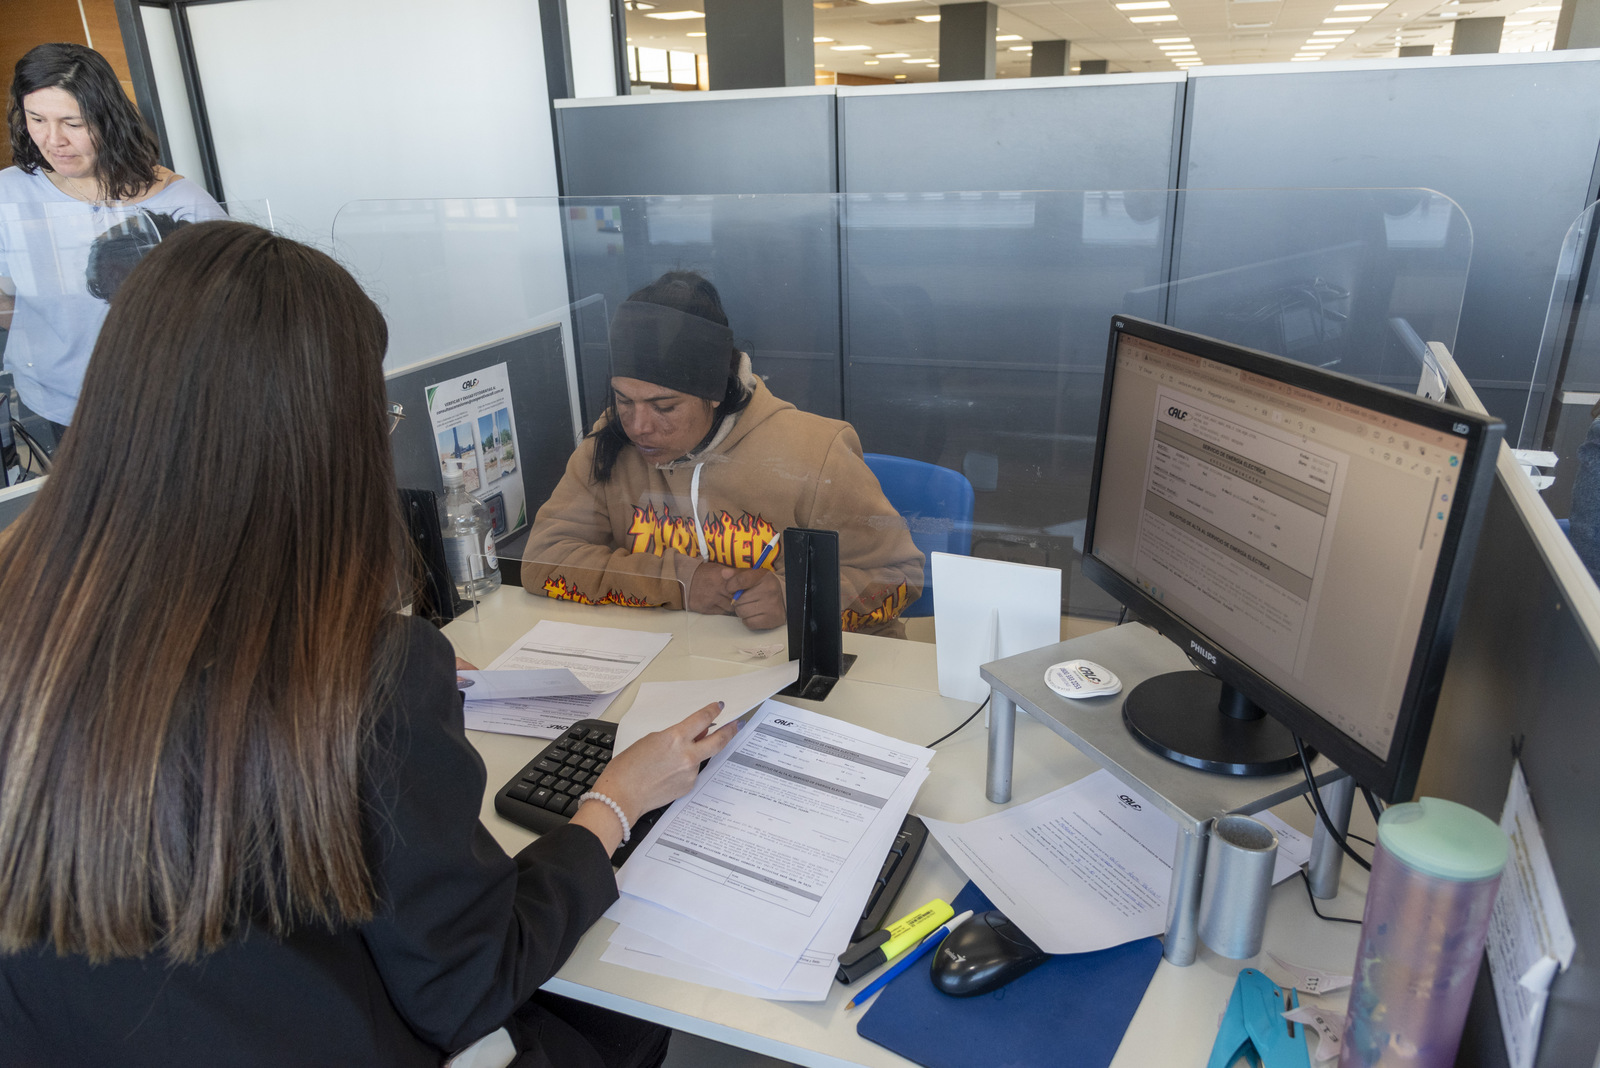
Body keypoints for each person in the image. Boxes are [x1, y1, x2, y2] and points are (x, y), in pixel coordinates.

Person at [0, 221, 737, 1068]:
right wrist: (613, 801)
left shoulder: (32, 623)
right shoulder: (365, 675)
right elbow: (469, 982)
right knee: (624, 1017)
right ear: (321, 442)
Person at [523, 271, 924, 636]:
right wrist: (679, 582)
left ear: (714, 395)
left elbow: (901, 577)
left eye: (664, 407)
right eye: (624, 399)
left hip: (801, 671)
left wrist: (796, 600)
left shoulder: (814, 454)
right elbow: (543, 562)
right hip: (670, 663)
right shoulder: (610, 443)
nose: (638, 425)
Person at [0, 42, 226, 439]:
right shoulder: (9, 193)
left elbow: (231, 308)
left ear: (109, 119)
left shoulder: (180, 201)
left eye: (73, 123)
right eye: (37, 119)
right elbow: (6, 299)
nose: (53, 140)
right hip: (56, 403)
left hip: (164, 404)